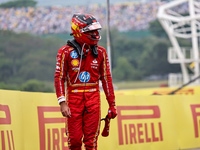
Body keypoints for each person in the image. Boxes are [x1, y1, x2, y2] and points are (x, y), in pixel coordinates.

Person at [54, 13, 117, 150]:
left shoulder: (101, 52)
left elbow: (106, 79)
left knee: (91, 142)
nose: (95, 34)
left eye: (96, 30)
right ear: (78, 30)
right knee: (75, 141)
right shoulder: (65, 52)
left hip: (93, 98)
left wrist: (112, 105)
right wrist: (62, 102)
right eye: (90, 31)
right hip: (73, 100)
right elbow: (59, 78)